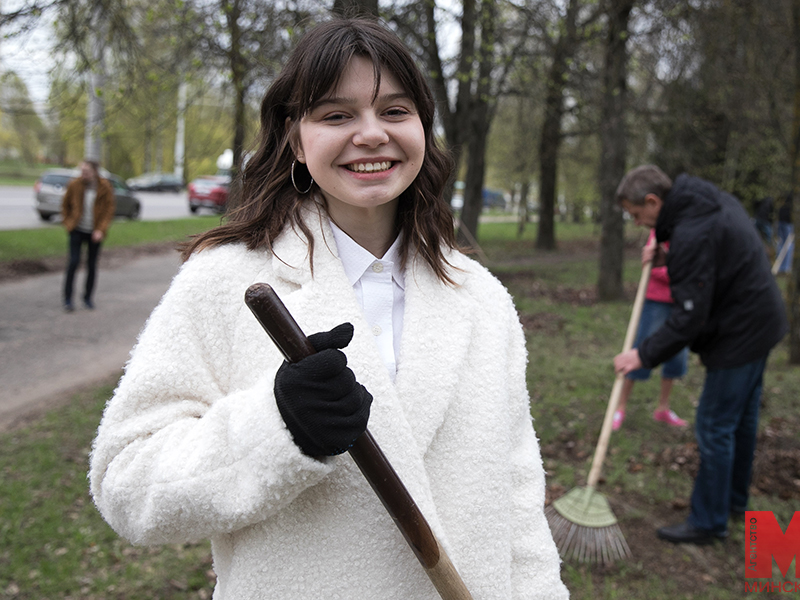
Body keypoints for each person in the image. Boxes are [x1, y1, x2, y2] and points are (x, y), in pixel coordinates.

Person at [89, 19, 568, 600]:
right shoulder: (223, 281)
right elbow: (126, 484)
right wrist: (277, 428)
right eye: (336, 115)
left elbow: (517, 500)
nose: (371, 135)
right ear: (295, 138)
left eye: (395, 111)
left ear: (423, 128)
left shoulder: (483, 298)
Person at [613, 165, 787, 545]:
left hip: (740, 333)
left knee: (714, 426)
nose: (639, 224)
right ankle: (734, 504)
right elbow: (710, 260)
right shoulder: (706, 200)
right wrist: (668, 260)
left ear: (654, 201)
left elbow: (689, 316)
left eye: (637, 214)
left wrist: (642, 355)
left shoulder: (692, 233)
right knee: (740, 421)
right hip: (762, 320)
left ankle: (708, 522)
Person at [613, 229, 689, 431]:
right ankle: (620, 407)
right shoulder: (660, 230)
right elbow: (652, 267)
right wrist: (682, 273)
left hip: (682, 302)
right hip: (656, 301)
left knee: (677, 354)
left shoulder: (690, 230)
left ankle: (663, 408)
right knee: (641, 350)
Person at [61, 160, 115, 311]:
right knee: (73, 262)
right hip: (77, 230)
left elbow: (108, 211)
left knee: (91, 265)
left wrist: (100, 230)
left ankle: (87, 298)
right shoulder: (74, 184)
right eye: (82, 171)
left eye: (86, 171)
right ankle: (67, 299)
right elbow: (65, 205)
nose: (83, 174)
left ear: (94, 172)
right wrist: (68, 224)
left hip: (95, 233)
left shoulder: (104, 187)